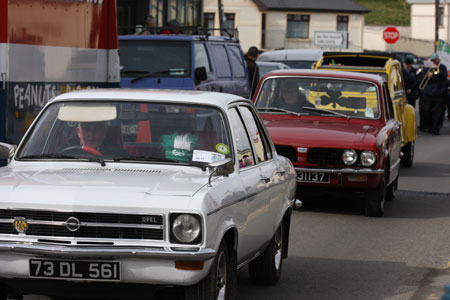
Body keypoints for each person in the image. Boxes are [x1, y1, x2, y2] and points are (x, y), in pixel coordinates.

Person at [418, 52, 448, 135]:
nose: (434, 61)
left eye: (435, 60)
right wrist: (428, 75)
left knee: (437, 113)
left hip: (439, 93)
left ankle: (436, 129)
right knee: (427, 111)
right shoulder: (426, 67)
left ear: (438, 59)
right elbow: (421, 78)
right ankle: (429, 126)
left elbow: (444, 76)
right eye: (432, 60)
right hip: (428, 93)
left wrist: (435, 71)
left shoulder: (442, 67)